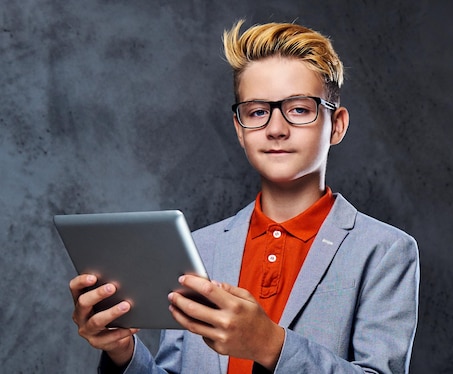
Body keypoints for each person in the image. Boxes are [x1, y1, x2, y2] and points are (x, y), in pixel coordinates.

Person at [69, 19, 420, 373]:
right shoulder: (199, 248)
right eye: (257, 112)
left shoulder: (385, 250)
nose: (276, 129)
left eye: (299, 109)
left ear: (337, 125)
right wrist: (122, 352)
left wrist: (270, 345)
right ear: (240, 129)